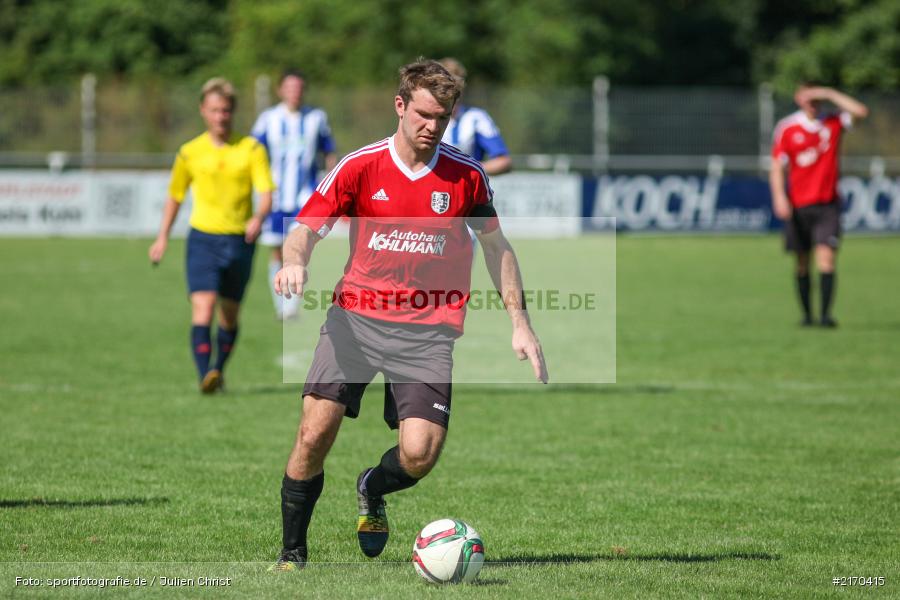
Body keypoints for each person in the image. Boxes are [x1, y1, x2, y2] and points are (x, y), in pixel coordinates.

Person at [268, 58, 548, 571]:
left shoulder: (466, 175)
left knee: (419, 454)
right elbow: (305, 228)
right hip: (354, 322)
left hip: (427, 332)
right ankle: (292, 554)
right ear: (400, 106)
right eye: (423, 114)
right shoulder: (360, 165)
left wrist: (520, 322)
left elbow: (496, 247)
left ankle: (371, 488)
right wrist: (293, 263)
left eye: (442, 117)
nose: (432, 126)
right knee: (313, 434)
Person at [149, 78, 274, 393]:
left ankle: (218, 369)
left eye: (226, 110)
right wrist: (162, 237)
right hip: (202, 240)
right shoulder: (189, 153)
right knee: (203, 307)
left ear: (233, 112)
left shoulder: (251, 149)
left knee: (229, 315)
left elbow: (266, 192)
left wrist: (258, 217)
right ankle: (206, 374)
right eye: (215, 110)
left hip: (240, 242)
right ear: (203, 111)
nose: (221, 117)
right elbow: (175, 196)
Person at [769, 84, 868, 328]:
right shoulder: (787, 127)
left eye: (816, 97)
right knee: (802, 262)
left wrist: (829, 93)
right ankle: (807, 316)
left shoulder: (833, 122)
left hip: (827, 203)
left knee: (826, 259)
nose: (812, 101)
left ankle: (825, 316)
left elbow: (861, 111)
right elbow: (777, 167)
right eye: (807, 96)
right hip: (799, 204)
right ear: (797, 98)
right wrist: (779, 197)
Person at [252, 69, 337, 320]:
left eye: (299, 88)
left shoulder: (316, 118)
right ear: (280, 90)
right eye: (290, 88)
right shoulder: (269, 118)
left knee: (300, 249)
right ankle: (280, 304)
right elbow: (254, 152)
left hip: (305, 197)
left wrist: (331, 183)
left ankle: (292, 308)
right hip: (277, 198)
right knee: (277, 251)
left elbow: (329, 152)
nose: (295, 93)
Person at [438, 57, 512, 175]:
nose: (451, 94)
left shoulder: (477, 118)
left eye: (456, 88)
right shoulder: (427, 119)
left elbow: (503, 161)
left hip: (466, 189)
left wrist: (466, 169)